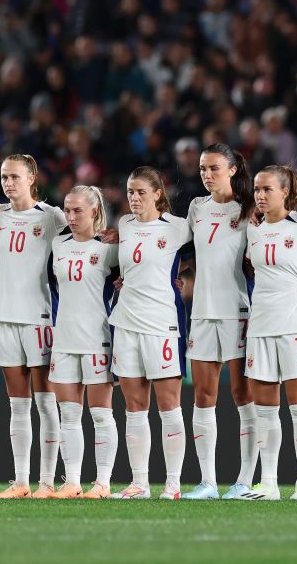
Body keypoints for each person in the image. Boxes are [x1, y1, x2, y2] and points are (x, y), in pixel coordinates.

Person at [236, 165, 297, 501]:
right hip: (260, 324)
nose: (259, 195)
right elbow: (246, 268)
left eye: (267, 189)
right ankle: (269, 482)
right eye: (257, 189)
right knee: (265, 409)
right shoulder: (252, 230)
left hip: (295, 324)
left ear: (286, 192)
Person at [108, 166, 192, 500]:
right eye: (130, 192)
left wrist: (174, 276)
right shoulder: (125, 224)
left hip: (162, 324)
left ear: (158, 193)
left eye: (141, 191)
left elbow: (203, 255)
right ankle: (139, 483)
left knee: (169, 405)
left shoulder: (178, 227)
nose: (134, 198)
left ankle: (173, 483)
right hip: (126, 321)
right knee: (134, 406)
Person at [182, 144, 260, 500]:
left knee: (243, 393)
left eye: (213, 168)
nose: (207, 174)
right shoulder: (196, 208)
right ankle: (208, 482)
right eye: (202, 169)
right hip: (201, 312)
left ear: (231, 170)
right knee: (203, 396)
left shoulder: (248, 209)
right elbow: (178, 250)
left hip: (237, 310)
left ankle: (244, 479)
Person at [0, 155, 68, 499]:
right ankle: (21, 481)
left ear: (32, 178)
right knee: (18, 405)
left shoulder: (52, 217)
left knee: (46, 403)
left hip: (40, 317)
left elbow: (79, 244)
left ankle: (47, 483)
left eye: (15, 177)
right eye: (5, 177)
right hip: (5, 317)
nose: (8, 183)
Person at [46, 185, 120, 499]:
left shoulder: (110, 248)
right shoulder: (57, 244)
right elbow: (54, 287)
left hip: (97, 338)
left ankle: (102, 482)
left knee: (101, 413)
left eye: (78, 210)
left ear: (94, 211)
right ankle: (73, 481)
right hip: (64, 338)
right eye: (68, 209)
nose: (71, 216)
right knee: (69, 414)